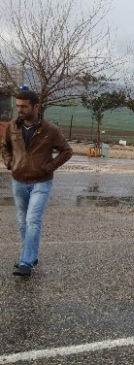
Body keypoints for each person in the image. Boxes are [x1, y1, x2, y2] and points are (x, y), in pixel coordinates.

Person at [1, 90, 72, 277]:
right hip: (18, 181)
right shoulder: (12, 127)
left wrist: (49, 167)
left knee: (32, 220)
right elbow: (5, 146)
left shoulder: (50, 130)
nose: (20, 110)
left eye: (24, 106)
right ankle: (31, 255)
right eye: (18, 106)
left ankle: (26, 262)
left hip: (41, 182)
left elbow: (66, 151)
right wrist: (9, 162)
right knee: (22, 221)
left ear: (36, 106)